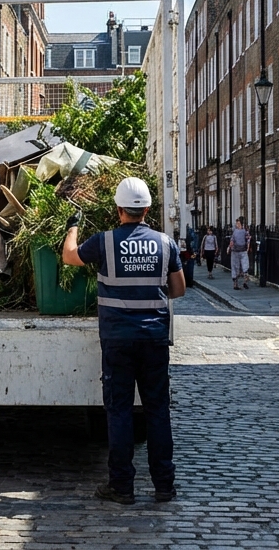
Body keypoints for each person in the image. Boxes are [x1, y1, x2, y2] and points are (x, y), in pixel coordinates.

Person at [62, 177, 186, 505]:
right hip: (154, 339)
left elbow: (70, 257)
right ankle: (164, 485)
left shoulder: (104, 242)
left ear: (119, 210)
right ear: (146, 209)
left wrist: (72, 225)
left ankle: (121, 486)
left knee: (119, 411)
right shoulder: (165, 243)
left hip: (117, 340)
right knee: (157, 410)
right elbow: (179, 289)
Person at [229, 217, 252, 290]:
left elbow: (248, 239)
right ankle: (235, 284)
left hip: (243, 251)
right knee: (235, 268)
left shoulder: (245, 231)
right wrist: (230, 246)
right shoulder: (234, 231)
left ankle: (245, 282)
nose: (237, 225)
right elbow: (232, 239)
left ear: (242, 224)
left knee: (245, 267)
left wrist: (248, 247)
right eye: (237, 223)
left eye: (238, 223)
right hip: (235, 251)